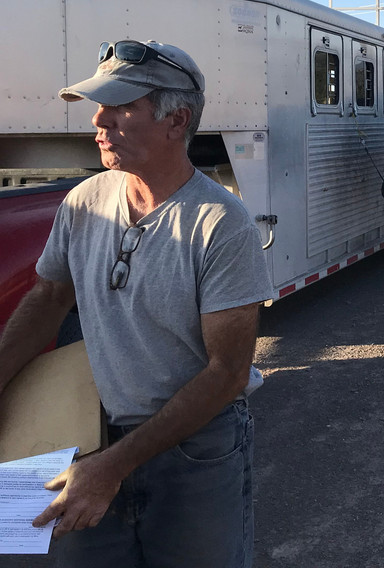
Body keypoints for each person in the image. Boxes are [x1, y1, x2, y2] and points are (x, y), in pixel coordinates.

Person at [0, 40, 273, 567]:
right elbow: (48, 297)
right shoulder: (83, 202)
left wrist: (112, 466)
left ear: (177, 121)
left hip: (194, 448)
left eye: (121, 106)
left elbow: (227, 374)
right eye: (99, 105)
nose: (98, 120)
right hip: (85, 433)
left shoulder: (221, 223)